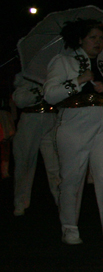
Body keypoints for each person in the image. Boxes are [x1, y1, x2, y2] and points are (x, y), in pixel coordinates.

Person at [44, 19, 103, 246]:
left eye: (101, 38)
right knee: (72, 178)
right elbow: (50, 95)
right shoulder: (63, 62)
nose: (99, 42)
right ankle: (70, 227)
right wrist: (78, 81)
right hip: (73, 125)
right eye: (93, 37)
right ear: (81, 39)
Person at [12, 73, 60, 216]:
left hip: (50, 118)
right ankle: (21, 201)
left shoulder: (53, 74)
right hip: (30, 120)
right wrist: (41, 91)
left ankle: (61, 199)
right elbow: (19, 100)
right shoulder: (26, 76)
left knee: (55, 164)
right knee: (24, 162)